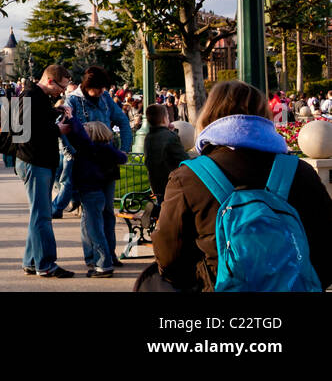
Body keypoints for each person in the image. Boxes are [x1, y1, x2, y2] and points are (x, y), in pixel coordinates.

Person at [151, 80, 332, 291]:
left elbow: (169, 257)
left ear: (209, 115)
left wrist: (202, 282)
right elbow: (327, 246)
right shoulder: (300, 172)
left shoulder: (188, 178)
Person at [58, 66, 133, 264]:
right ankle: (93, 256)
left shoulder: (106, 99)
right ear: (88, 85)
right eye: (98, 89)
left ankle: (109, 253)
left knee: (108, 210)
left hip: (106, 160)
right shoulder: (73, 100)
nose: (101, 92)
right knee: (90, 212)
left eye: (103, 89)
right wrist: (72, 154)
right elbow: (64, 130)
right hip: (86, 162)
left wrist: (124, 149)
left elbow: (123, 121)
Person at [10, 64, 75, 278]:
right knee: (42, 216)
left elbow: (36, 121)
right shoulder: (30, 96)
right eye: (61, 87)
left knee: (39, 214)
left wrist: (57, 112)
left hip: (39, 162)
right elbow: (23, 130)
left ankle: (31, 261)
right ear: (49, 80)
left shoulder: (37, 96)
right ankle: (45, 264)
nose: (62, 92)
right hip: (34, 161)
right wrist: (57, 129)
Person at [60, 119, 127, 277]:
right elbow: (122, 158)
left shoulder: (93, 149)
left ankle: (103, 263)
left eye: (86, 130)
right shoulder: (98, 149)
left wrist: (70, 118)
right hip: (94, 190)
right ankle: (101, 260)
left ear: (92, 133)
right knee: (94, 226)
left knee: (94, 229)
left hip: (92, 191)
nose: (83, 131)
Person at [143, 104, 189, 202]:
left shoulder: (148, 137)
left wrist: (171, 132)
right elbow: (183, 159)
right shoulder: (170, 136)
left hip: (155, 184)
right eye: (168, 116)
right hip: (171, 183)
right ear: (164, 119)